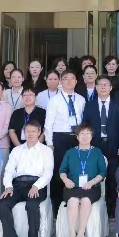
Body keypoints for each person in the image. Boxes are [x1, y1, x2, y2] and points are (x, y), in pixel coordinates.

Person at [0, 119, 54, 237]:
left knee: (32, 204)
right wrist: (8, 187)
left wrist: (36, 186)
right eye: (28, 131)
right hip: (17, 185)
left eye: (33, 131)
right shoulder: (16, 150)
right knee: (3, 203)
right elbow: (9, 171)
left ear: (39, 133)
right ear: (24, 132)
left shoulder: (46, 151)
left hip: (37, 184)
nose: (30, 134)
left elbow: (48, 173)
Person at [82, 75, 119, 219]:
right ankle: (94, 206)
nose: (103, 87)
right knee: (94, 175)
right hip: (94, 145)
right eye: (100, 84)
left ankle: (111, 209)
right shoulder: (89, 105)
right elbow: (85, 126)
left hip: (113, 145)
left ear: (111, 88)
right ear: (96, 87)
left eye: (105, 84)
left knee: (112, 177)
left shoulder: (118, 105)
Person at [60, 124, 107, 237]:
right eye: (82, 134)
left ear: (92, 136)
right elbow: (62, 170)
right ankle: (72, 233)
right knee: (73, 201)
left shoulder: (97, 152)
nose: (85, 136)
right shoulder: (70, 152)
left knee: (86, 200)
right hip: (73, 187)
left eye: (88, 134)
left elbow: (103, 172)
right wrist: (66, 180)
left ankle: (81, 231)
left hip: (92, 187)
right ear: (77, 136)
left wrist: (92, 182)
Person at [45, 70, 86, 212]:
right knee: (60, 170)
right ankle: (57, 206)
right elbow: (48, 124)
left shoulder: (81, 99)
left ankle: (75, 201)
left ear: (76, 81)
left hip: (77, 137)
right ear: (61, 82)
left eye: (72, 78)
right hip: (60, 137)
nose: (69, 81)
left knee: (77, 169)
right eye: (66, 78)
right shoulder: (54, 100)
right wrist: (50, 143)